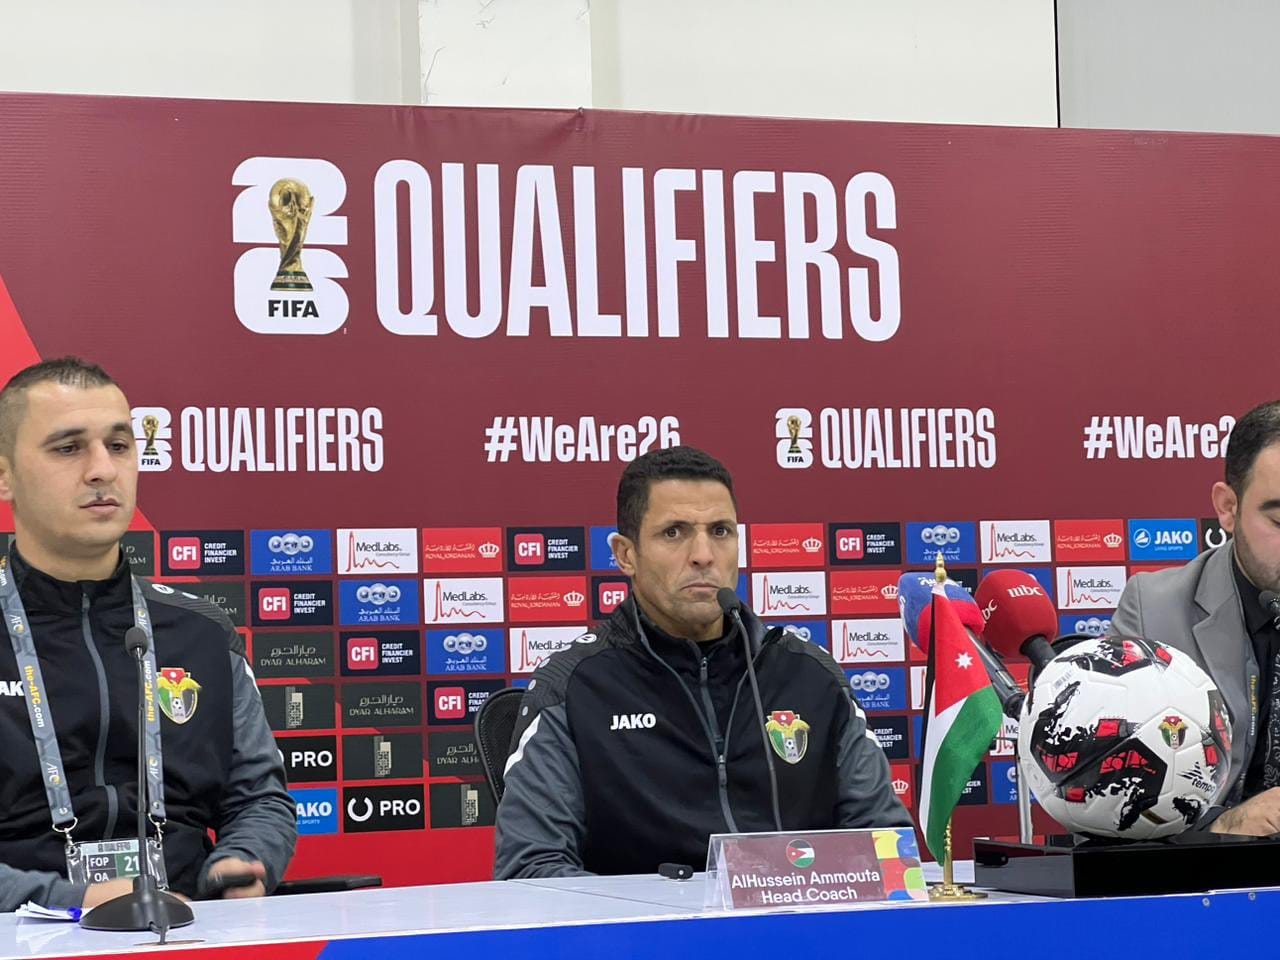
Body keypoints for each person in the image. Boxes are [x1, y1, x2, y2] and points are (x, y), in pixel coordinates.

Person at [494, 446, 910, 879]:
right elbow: (532, 871)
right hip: (647, 925)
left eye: (720, 531)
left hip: (798, 921)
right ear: (625, 555)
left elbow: (889, 853)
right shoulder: (575, 686)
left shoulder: (809, 675)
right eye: (674, 533)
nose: (703, 555)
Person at [0, 357, 296, 911]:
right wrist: (73, 899)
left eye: (118, 446)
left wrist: (244, 860)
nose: (102, 470)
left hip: (188, 926)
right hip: (23, 936)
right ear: (5, 475)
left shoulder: (200, 630)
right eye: (68, 448)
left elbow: (259, 799)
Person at [1111, 400, 1280, 835]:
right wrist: (1221, 825)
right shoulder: (1153, 613)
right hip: (1209, 869)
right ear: (1227, 507)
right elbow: (1111, 799)